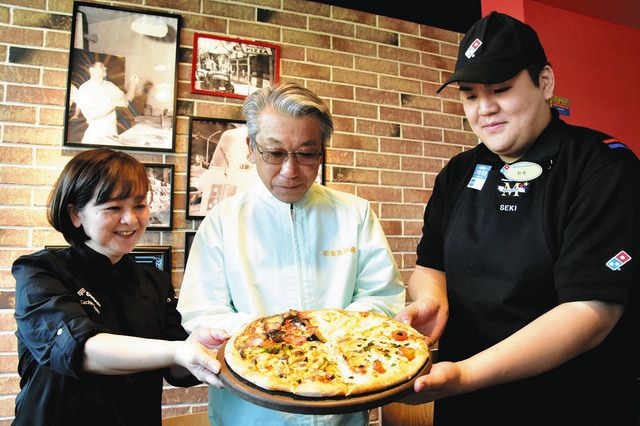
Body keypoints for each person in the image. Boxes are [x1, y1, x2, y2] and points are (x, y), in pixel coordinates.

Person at [395, 11, 639, 425]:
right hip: (464, 402)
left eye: (502, 89)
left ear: (544, 82)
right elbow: (430, 264)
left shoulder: (603, 166)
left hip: (575, 403)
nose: (484, 109)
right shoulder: (457, 172)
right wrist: (430, 297)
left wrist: (466, 374)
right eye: (470, 95)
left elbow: (591, 312)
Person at [178, 83, 406, 425]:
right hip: (250, 412)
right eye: (275, 153)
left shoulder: (354, 214)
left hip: (340, 405)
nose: (290, 171)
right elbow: (202, 311)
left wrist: (329, 331)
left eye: (307, 153)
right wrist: (275, 334)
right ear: (251, 148)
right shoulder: (223, 222)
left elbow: (383, 298)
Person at [12, 148, 228, 426]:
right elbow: (81, 350)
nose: (132, 220)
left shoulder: (153, 280)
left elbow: (178, 365)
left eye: (139, 205)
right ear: (76, 214)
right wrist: (176, 351)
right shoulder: (41, 271)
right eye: (114, 207)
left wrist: (205, 347)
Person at [71, 62, 139, 144]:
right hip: (95, 137)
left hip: (112, 134)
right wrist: (113, 103)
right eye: (101, 66)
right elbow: (93, 115)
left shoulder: (109, 85)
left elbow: (127, 100)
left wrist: (133, 84)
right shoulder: (85, 89)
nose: (105, 68)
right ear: (92, 70)